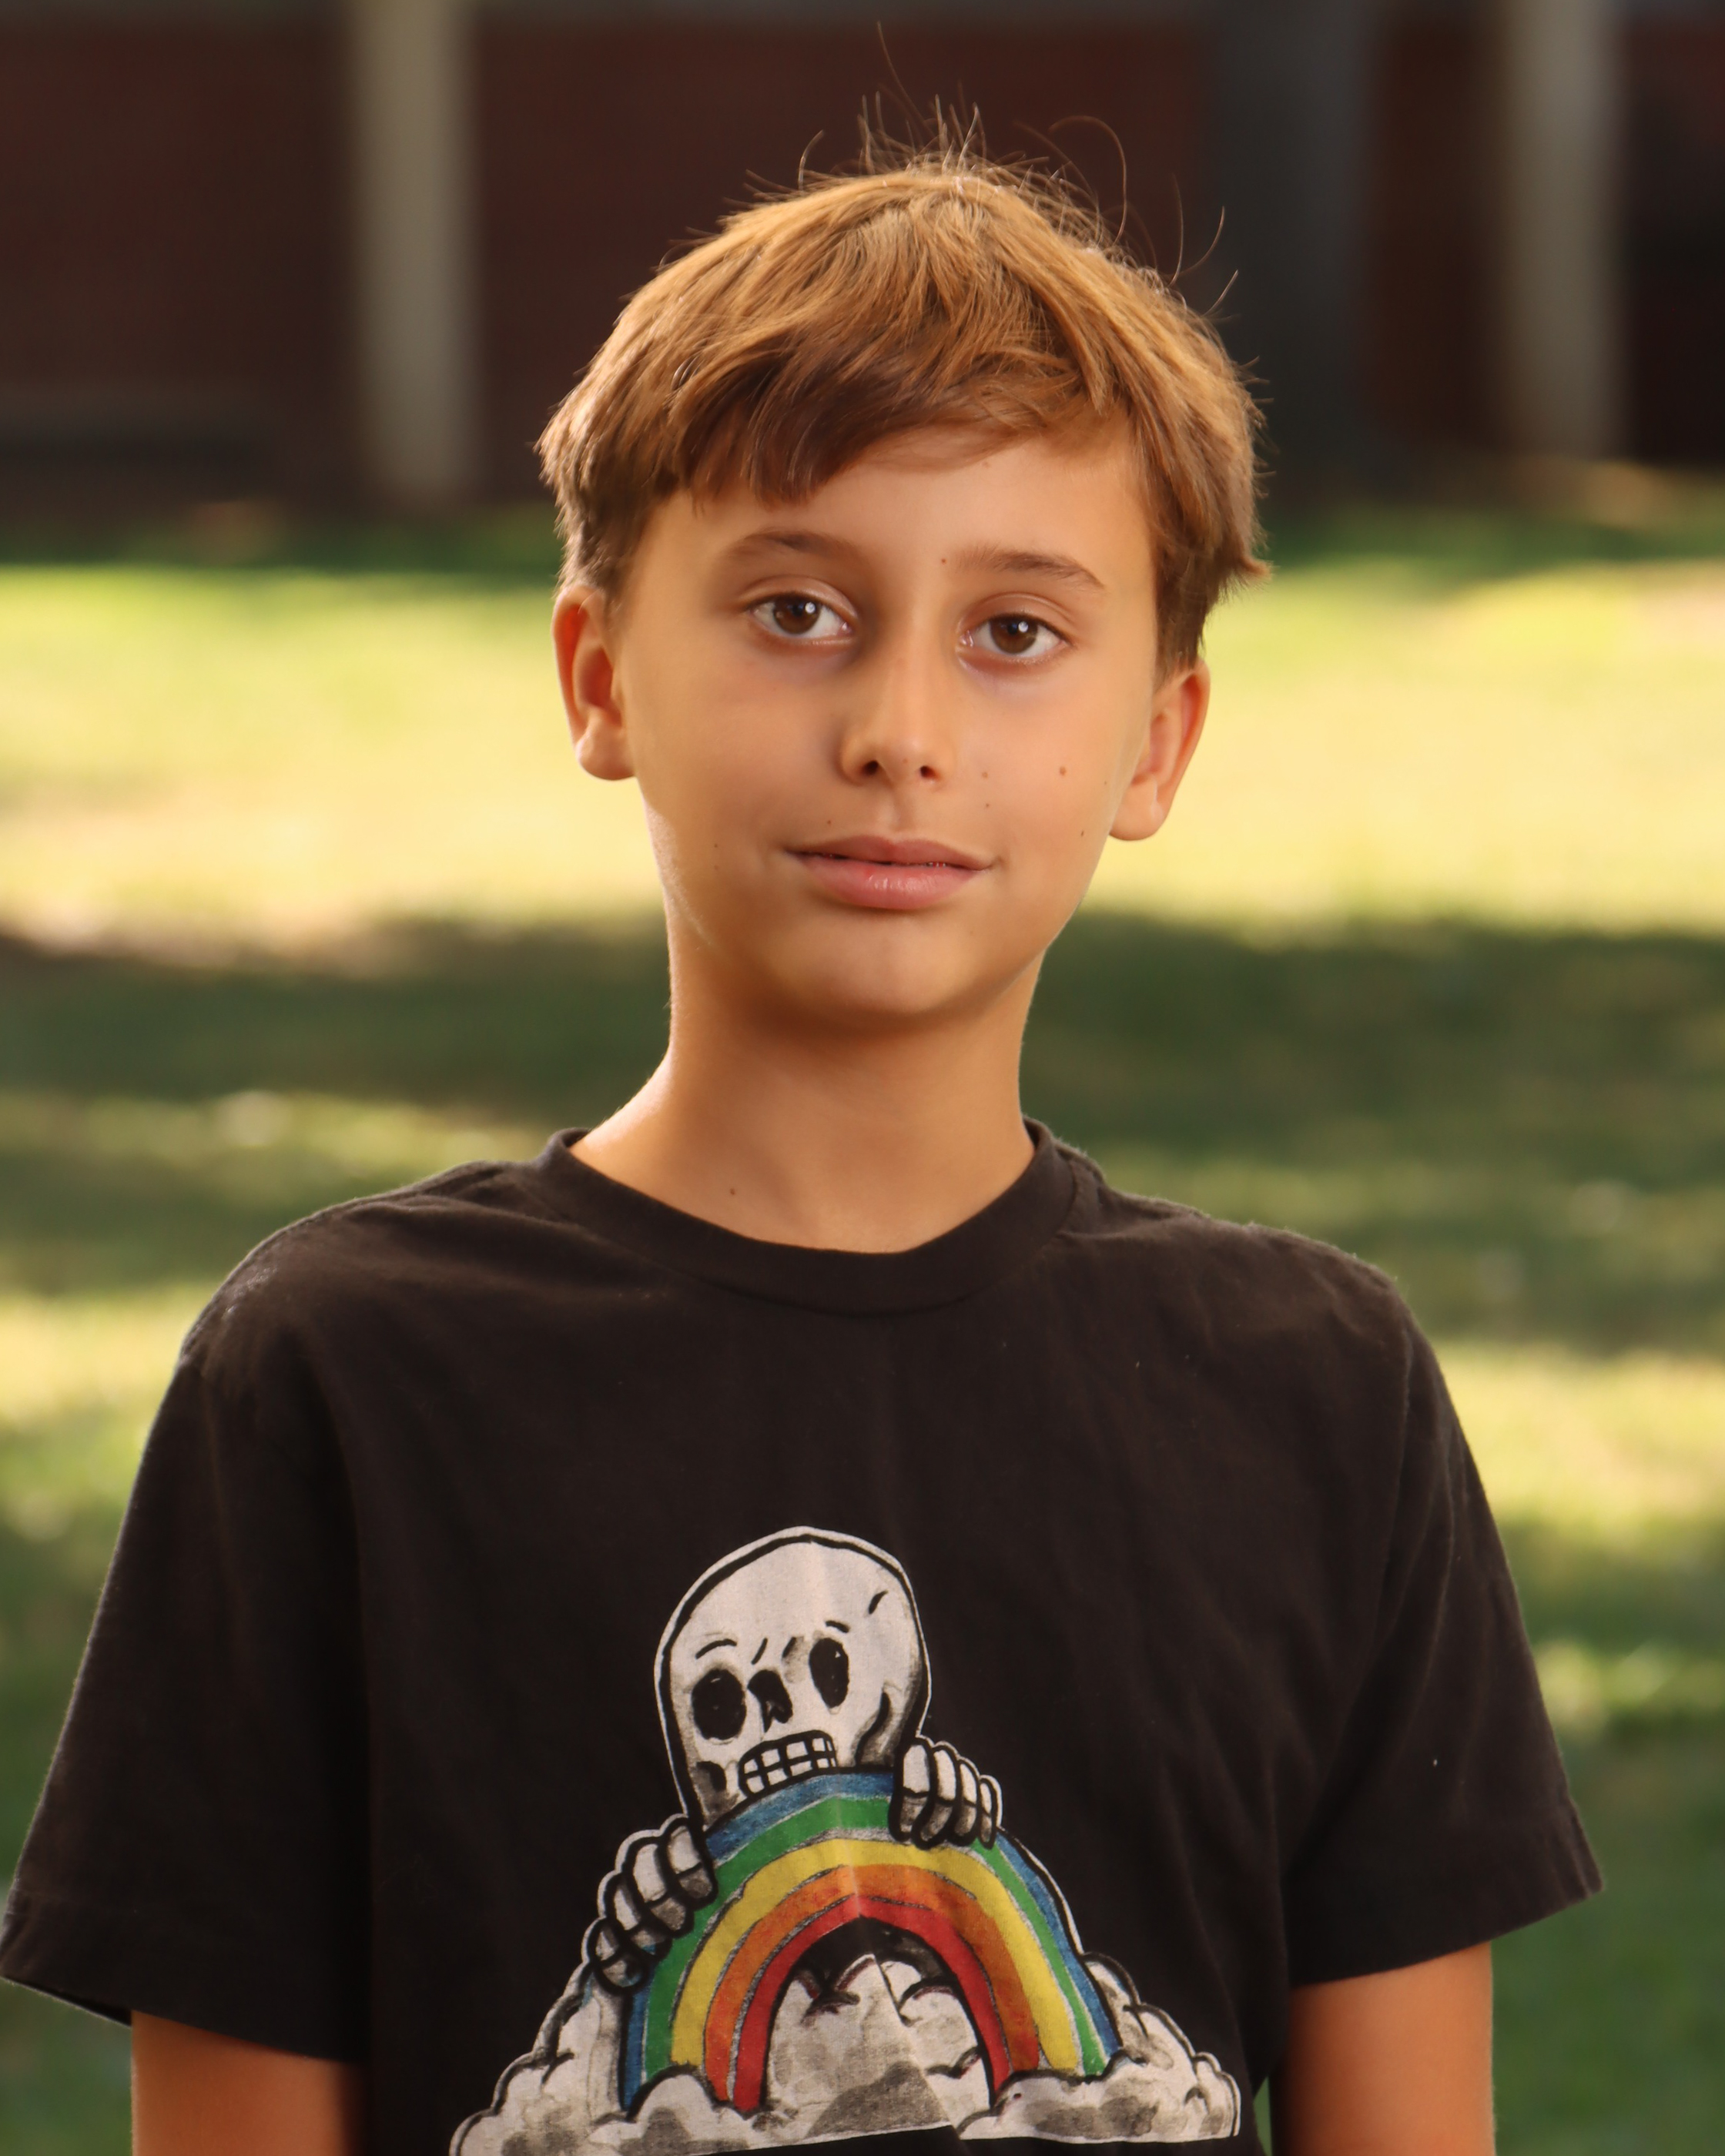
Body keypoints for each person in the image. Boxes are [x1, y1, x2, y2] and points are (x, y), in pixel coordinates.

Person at [0, 141, 1596, 2156]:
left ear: (1159, 740)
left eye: (1015, 632)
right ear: (601, 678)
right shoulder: (337, 1379)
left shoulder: (1319, 1399)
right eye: (797, 609)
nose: (898, 729)